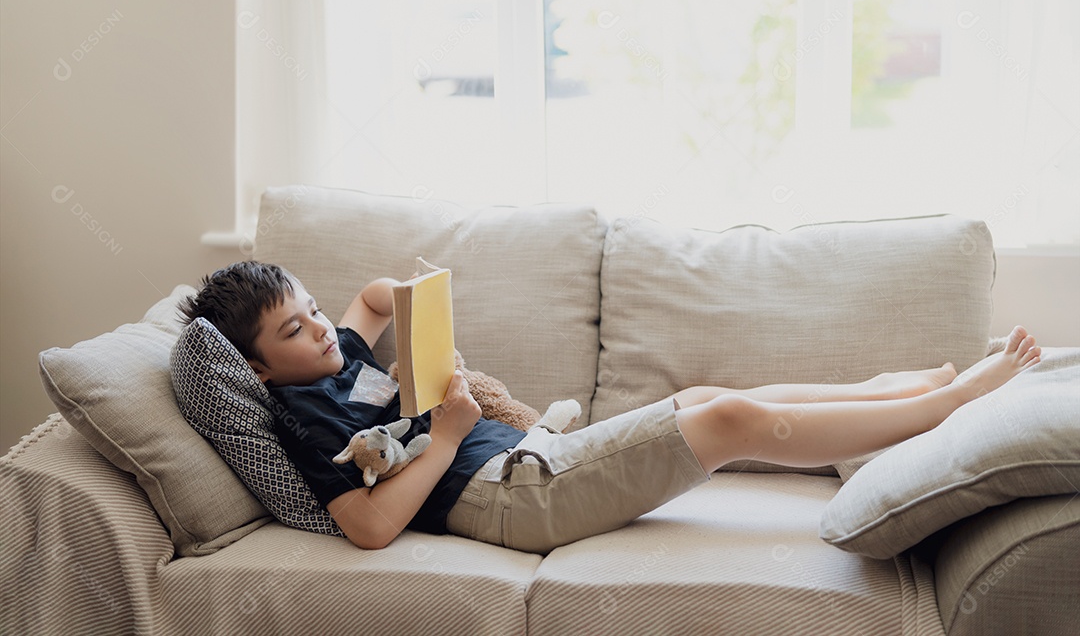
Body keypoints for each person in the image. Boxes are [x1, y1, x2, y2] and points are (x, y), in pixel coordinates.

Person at [177, 260, 1042, 555]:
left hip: (523, 463)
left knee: (699, 398)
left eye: (313, 311)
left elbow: (369, 302)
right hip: (510, 498)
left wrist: (407, 311)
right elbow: (367, 528)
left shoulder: (341, 362)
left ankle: (886, 395)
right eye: (295, 330)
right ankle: (951, 401)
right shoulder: (302, 418)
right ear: (257, 370)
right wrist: (442, 437)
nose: (323, 332)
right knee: (725, 423)